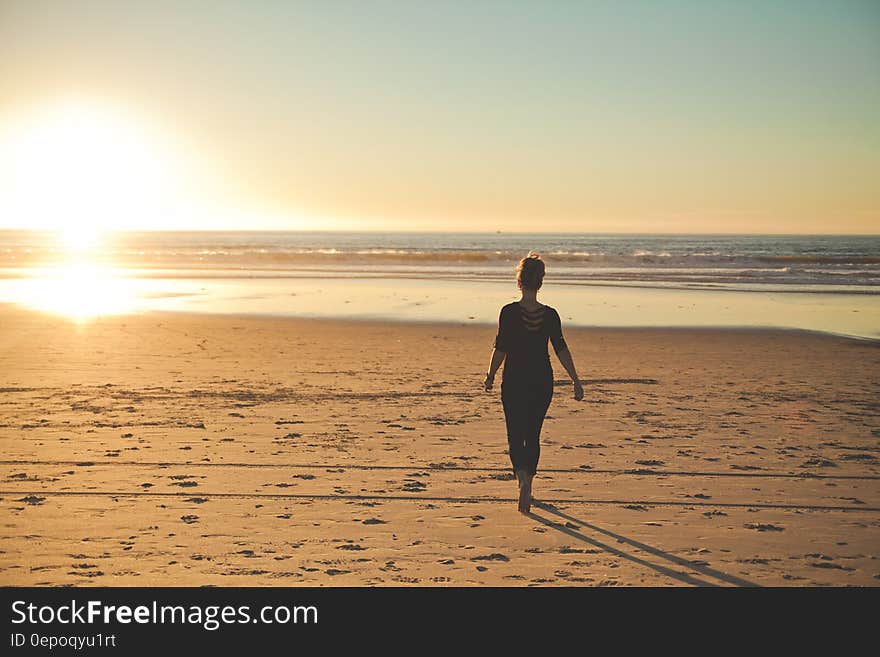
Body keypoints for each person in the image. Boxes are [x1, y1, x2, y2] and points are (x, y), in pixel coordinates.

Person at [484, 252, 583, 513]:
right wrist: (575, 379)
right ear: (540, 282)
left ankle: (522, 478)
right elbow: (561, 349)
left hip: (514, 380)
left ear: (519, 281)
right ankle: (530, 479)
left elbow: (501, 348)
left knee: (515, 434)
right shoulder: (550, 315)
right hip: (541, 381)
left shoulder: (508, 313)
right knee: (533, 433)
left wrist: (490, 375)